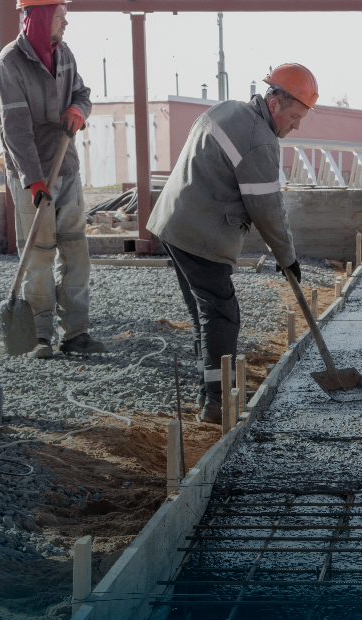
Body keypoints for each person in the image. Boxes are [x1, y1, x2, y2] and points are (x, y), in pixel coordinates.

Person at [148, 64, 315, 424]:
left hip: (173, 222)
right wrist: (287, 256)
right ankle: (217, 402)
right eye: (295, 115)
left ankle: (208, 392)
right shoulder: (260, 139)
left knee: (204, 314)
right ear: (275, 103)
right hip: (199, 232)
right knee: (222, 314)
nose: (297, 125)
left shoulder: (228, 109)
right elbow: (267, 208)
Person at [0, 0, 104, 359]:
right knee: (39, 255)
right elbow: (16, 129)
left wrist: (78, 110)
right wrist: (33, 180)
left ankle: (76, 333)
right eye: (60, 16)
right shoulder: (9, 63)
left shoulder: (65, 55)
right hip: (32, 175)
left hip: (66, 166)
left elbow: (82, 94)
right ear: (39, 18)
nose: (66, 23)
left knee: (75, 251)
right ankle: (40, 335)